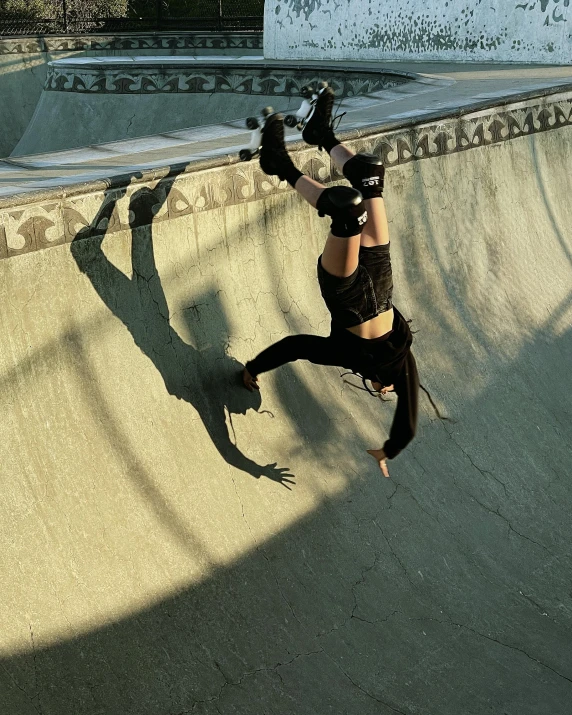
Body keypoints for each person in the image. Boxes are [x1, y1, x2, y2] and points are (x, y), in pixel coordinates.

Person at [242, 85, 419, 478]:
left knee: (347, 209)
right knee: (370, 175)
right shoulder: (402, 362)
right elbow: (408, 422)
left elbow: (296, 346)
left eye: (381, 389)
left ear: (372, 384)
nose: (385, 389)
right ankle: (320, 134)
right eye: (388, 388)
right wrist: (389, 449)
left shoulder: (342, 354)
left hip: (349, 292)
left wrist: (253, 368)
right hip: (382, 279)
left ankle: (279, 165)